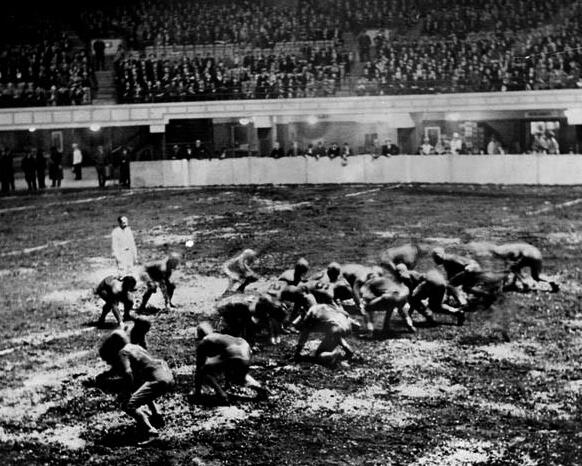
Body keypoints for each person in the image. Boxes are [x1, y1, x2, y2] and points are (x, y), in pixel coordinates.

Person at [98, 330, 174, 440]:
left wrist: (126, 391)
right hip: (166, 375)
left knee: (128, 405)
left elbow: (127, 372)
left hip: (158, 381)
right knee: (141, 386)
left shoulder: (123, 352)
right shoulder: (136, 347)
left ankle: (150, 431)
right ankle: (156, 415)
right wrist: (107, 374)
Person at [192, 321, 269, 403]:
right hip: (245, 348)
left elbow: (199, 369)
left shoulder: (204, 341)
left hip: (234, 351)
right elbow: (226, 362)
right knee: (239, 377)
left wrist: (197, 393)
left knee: (204, 370)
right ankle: (258, 386)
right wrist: (227, 384)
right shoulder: (219, 337)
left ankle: (221, 394)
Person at [395, 264, 465, 326]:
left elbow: (413, 297)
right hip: (440, 282)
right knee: (436, 306)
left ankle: (430, 319)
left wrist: (409, 313)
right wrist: (410, 311)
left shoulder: (404, 275)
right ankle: (457, 312)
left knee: (413, 299)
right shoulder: (413, 273)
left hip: (430, 283)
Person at [489, 242, 559, 292]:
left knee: (513, 267)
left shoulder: (503, 251)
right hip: (536, 255)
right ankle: (552, 282)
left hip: (529, 255)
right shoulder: (506, 248)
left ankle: (524, 283)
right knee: (536, 277)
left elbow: (511, 264)